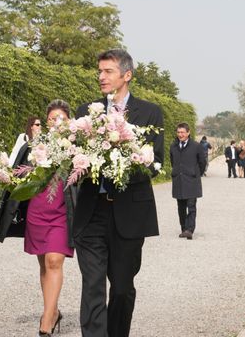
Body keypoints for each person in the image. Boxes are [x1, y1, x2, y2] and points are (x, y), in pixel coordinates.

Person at [74, 49, 164, 337]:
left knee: (122, 289)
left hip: (130, 212)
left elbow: (155, 162)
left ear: (127, 75)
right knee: (92, 286)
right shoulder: (85, 112)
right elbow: (74, 156)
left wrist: (123, 162)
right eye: (99, 71)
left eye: (108, 71)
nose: (101, 77)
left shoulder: (150, 112)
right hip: (92, 211)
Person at [0, 100, 77, 336]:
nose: (56, 122)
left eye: (61, 118)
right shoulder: (32, 148)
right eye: (52, 119)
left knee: (54, 261)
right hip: (37, 213)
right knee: (43, 264)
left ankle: (46, 322)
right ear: (46, 122)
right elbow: (15, 177)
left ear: (69, 121)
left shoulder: (76, 147)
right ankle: (53, 310)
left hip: (62, 212)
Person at [170, 123, 206, 240]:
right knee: (180, 207)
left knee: (191, 206)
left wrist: (195, 173)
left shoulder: (196, 146)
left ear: (188, 132)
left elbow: (202, 162)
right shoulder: (173, 146)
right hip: (178, 180)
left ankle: (190, 230)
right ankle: (183, 228)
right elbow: (172, 161)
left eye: (183, 132)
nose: (180, 135)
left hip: (192, 180)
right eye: (179, 132)